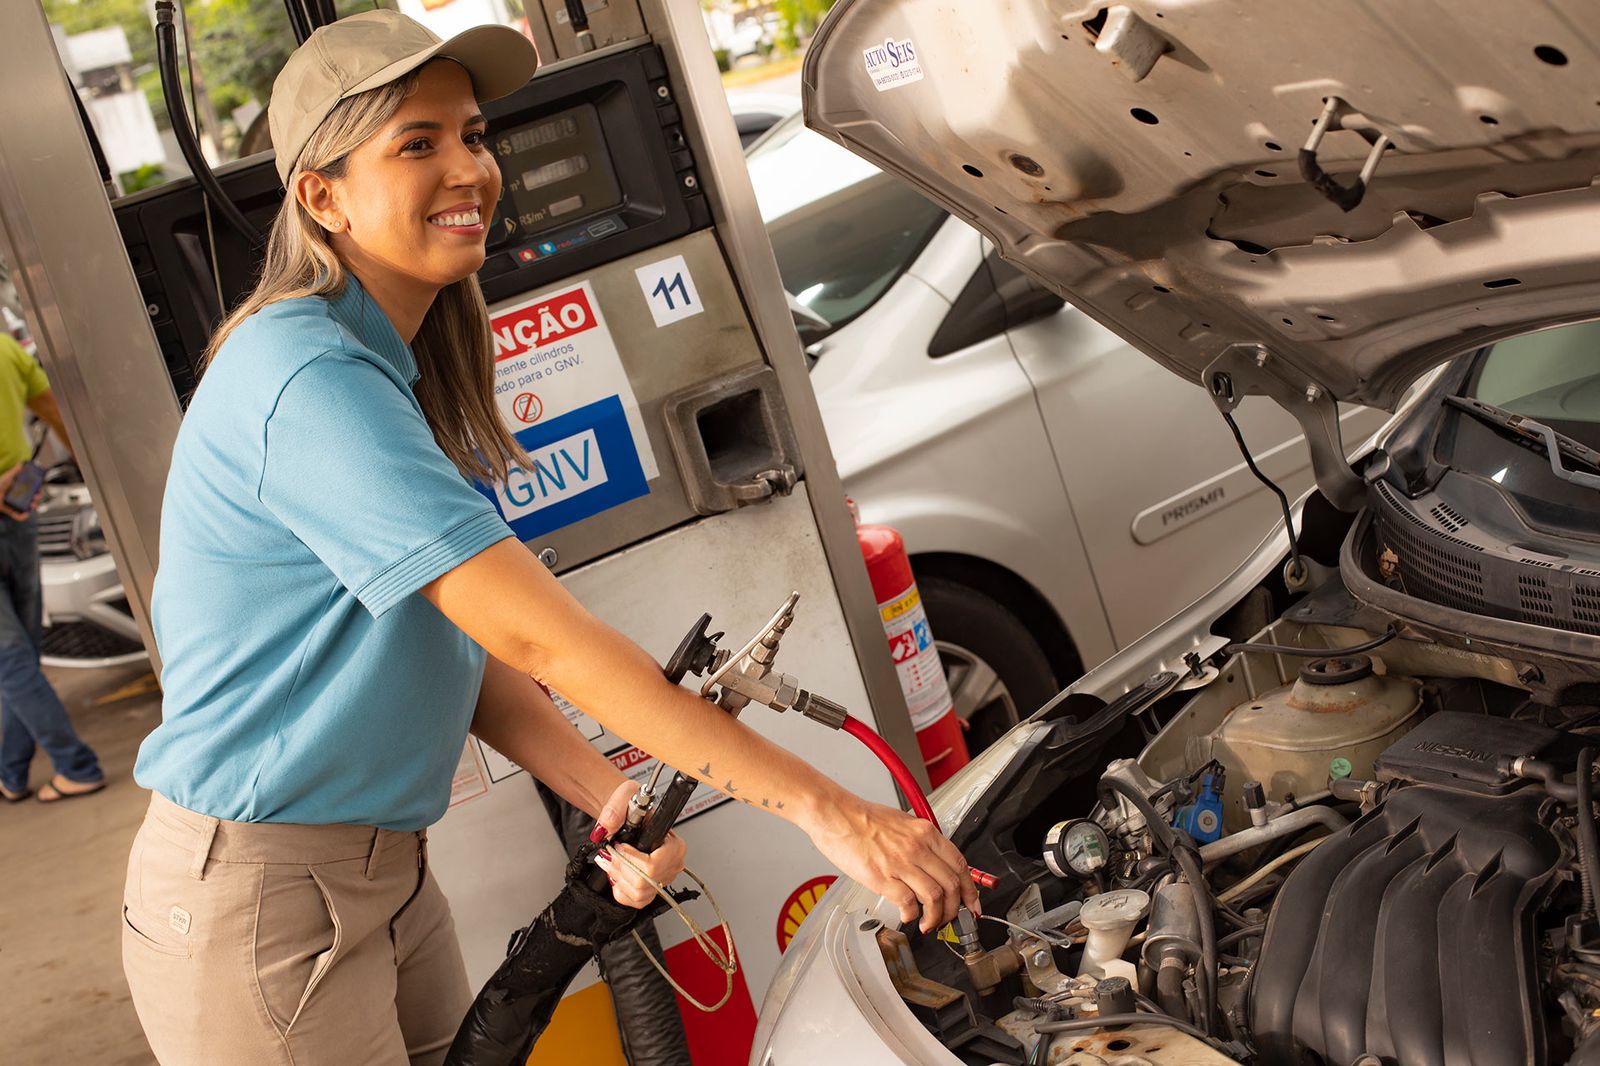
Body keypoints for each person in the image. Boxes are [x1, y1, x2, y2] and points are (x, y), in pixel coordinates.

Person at [121, 12, 979, 1066]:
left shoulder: (384, 358)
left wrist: (607, 795)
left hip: (378, 871)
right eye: (416, 144)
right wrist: (830, 811)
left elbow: (457, 647)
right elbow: (543, 639)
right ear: (322, 196)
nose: (468, 168)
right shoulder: (303, 380)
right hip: (263, 890)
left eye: (472, 135)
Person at [0, 331, 104, 804]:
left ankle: (76, 765)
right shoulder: (5, 349)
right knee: (20, 649)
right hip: (18, 510)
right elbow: (56, 411)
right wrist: (94, 476)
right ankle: (11, 771)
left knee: (10, 659)